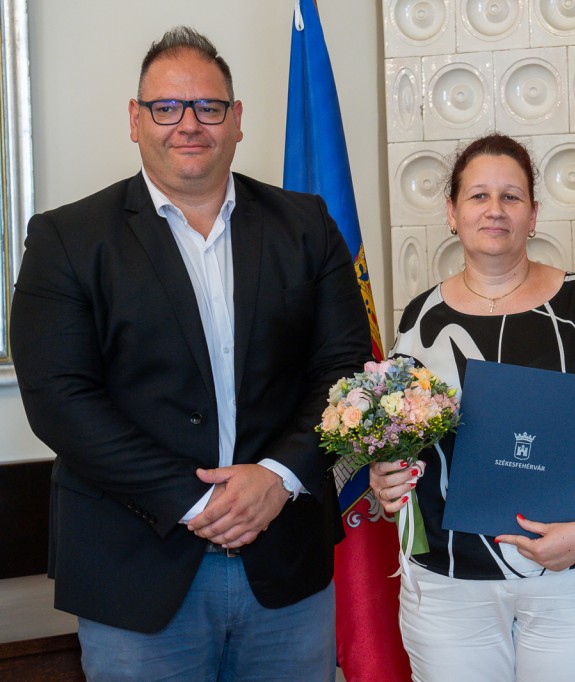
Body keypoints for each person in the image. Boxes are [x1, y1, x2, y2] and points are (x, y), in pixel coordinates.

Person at [10, 27, 371, 680]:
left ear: (236, 120)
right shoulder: (68, 238)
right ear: (135, 120)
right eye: (166, 107)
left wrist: (280, 475)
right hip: (134, 571)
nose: (188, 124)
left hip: (285, 562)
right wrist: (194, 500)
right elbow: (60, 399)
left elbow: (342, 370)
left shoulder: (307, 225)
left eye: (208, 106)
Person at [370, 134, 575, 681]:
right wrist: (387, 476)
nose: (494, 209)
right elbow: (402, 444)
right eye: (478, 196)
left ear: (533, 214)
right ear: (452, 212)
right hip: (448, 583)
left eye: (511, 196)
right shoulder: (419, 318)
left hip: (573, 577)